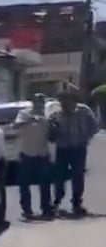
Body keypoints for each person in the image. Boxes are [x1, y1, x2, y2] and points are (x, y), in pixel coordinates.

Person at [48, 84, 98, 216]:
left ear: (73, 100)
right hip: (62, 149)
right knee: (59, 177)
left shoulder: (84, 111)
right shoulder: (55, 115)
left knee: (78, 176)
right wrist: (54, 129)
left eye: (66, 100)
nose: (63, 103)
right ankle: (57, 203)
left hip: (78, 149)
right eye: (61, 100)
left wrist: (85, 138)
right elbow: (50, 137)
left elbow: (94, 127)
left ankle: (76, 203)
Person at [11, 93, 53, 220]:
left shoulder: (48, 115)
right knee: (24, 184)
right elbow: (16, 125)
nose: (40, 103)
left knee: (45, 184)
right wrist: (30, 120)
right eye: (37, 101)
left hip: (43, 153)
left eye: (42, 101)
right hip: (27, 153)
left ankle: (46, 209)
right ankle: (27, 210)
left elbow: (54, 131)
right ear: (33, 102)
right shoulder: (24, 113)